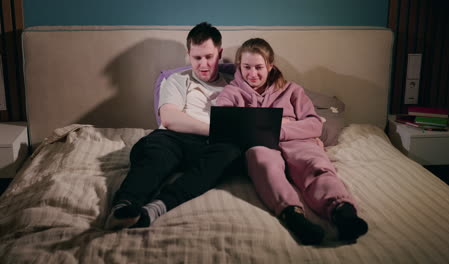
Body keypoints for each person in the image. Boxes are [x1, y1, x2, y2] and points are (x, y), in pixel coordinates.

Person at [216, 38, 368, 245]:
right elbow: (224, 124)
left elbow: (314, 124)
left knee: (314, 162)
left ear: (270, 66)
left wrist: (280, 129)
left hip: (296, 140)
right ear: (239, 67)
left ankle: (342, 211)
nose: (252, 74)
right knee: (262, 161)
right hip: (261, 145)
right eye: (247, 67)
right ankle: (292, 214)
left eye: (259, 67)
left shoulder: (292, 90)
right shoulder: (231, 92)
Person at [105, 22, 241, 230]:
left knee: (230, 152)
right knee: (156, 153)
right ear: (188, 54)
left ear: (219, 53)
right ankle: (125, 205)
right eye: (197, 58)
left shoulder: (234, 84)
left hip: (213, 146)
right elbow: (170, 119)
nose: (203, 64)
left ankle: (157, 208)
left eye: (209, 57)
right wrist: (217, 130)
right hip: (174, 138)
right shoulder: (177, 80)